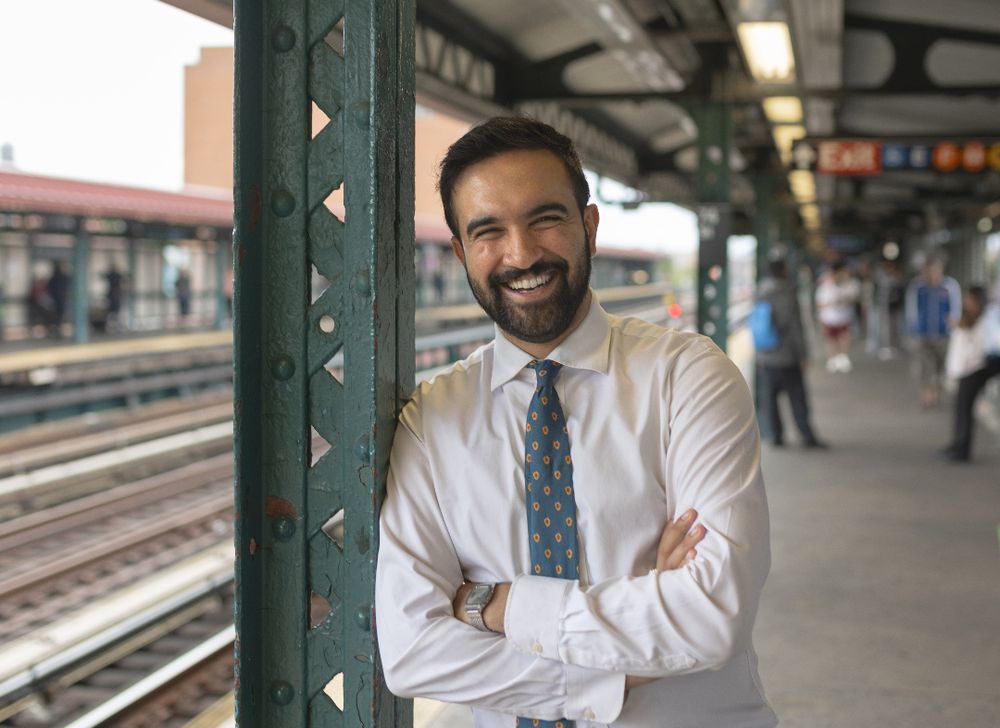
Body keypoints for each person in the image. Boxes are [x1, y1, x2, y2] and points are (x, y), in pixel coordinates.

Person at [375, 117, 775, 728]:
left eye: (545, 218)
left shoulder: (688, 377)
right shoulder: (432, 423)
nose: (522, 253)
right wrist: (636, 645)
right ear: (460, 252)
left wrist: (492, 607)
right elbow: (412, 656)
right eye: (488, 232)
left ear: (588, 225)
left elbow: (710, 618)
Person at [755, 258, 825, 449]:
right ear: (782, 272)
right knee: (797, 398)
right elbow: (795, 327)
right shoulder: (787, 292)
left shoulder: (759, 292)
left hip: (765, 355)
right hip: (787, 356)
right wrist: (803, 354)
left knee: (770, 399)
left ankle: (776, 436)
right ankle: (806, 436)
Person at [939, 286, 1000, 462]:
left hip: (975, 370)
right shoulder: (973, 319)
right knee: (961, 408)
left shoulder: (985, 320)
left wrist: (968, 365)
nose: (966, 302)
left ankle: (961, 448)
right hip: (969, 369)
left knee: (963, 409)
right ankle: (958, 445)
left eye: (969, 299)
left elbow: (984, 346)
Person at [905, 256, 961, 408]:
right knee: (923, 367)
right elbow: (911, 309)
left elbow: (956, 309)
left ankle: (936, 395)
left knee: (940, 367)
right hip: (922, 334)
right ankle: (926, 396)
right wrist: (913, 328)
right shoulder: (918, 286)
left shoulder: (949, 286)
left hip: (943, 334)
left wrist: (953, 326)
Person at [814, 261, 859, 372]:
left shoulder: (849, 284)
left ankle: (843, 357)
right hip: (829, 318)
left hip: (844, 317)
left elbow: (854, 297)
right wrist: (831, 303)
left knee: (844, 337)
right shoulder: (824, 287)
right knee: (831, 339)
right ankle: (833, 358)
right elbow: (819, 303)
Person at [46, 260, 70, 337]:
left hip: (58, 300)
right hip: (59, 300)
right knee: (58, 316)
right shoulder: (62, 278)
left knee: (59, 316)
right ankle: (57, 330)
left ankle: (57, 329)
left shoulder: (55, 278)